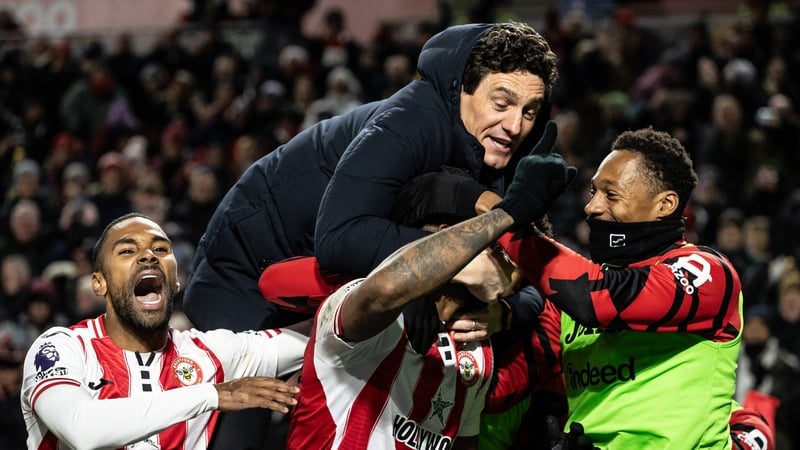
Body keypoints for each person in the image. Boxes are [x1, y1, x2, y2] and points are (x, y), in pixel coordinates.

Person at [183, 21, 559, 331]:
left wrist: (503, 316)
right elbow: (340, 239)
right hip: (244, 269)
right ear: (463, 87)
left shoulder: (510, 148)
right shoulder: (410, 121)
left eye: (529, 111)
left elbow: (539, 270)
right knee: (253, 406)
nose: (514, 125)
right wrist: (458, 264)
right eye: (502, 103)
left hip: (322, 287)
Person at [269, 154, 577, 449]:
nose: (516, 262)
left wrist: (511, 310)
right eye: (501, 243)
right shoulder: (366, 307)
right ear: (448, 237)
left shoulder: (477, 350)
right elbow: (383, 290)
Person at [494, 127, 768, 448]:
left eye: (611, 194)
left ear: (664, 204)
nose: (592, 207)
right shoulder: (566, 301)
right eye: (593, 192)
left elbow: (596, 299)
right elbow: (501, 391)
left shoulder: (706, 272)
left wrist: (510, 219)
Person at [19, 213, 307, 450]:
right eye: (128, 251)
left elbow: (323, 334)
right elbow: (81, 430)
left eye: (160, 249)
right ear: (99, 283)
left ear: (176, 282)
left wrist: (344, 294)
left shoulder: (211, 353)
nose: (148, 256)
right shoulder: (61, 348)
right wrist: (211, 395)